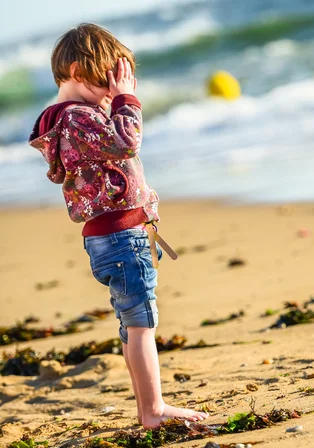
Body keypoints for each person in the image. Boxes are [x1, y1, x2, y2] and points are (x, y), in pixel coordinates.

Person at [28, 23, 208, 429]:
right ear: (75, 71)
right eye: (104, 78)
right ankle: (153, 410)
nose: (112, 88)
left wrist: (110, 99)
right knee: (142, 323)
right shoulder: (75, 118)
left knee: (133, 324)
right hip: (121, 237)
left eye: (117, 79)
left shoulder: (72, 118)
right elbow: (127, 142)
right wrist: (127, 98)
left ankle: (149, 405)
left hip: (115, 235)